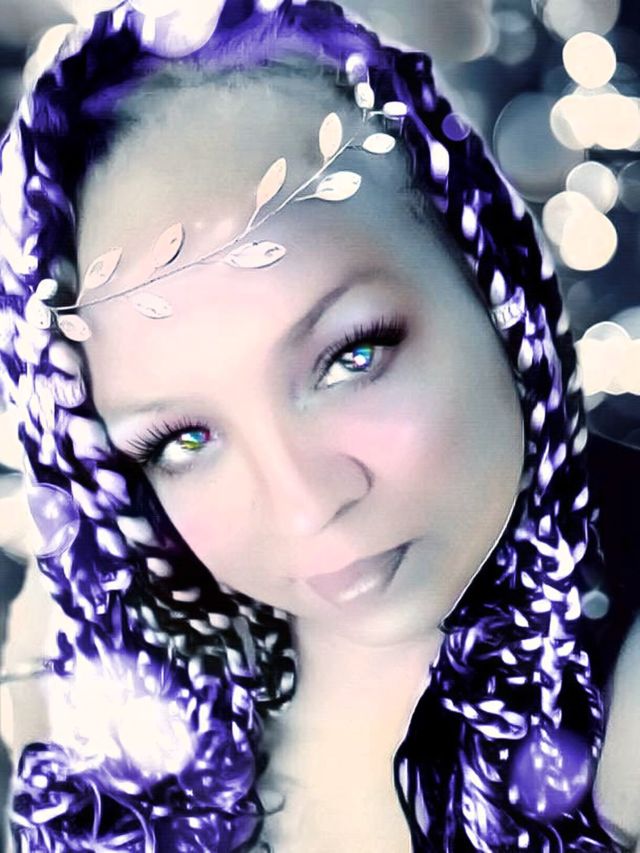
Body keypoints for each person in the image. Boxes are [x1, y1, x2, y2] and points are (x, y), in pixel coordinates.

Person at [0, 0, 631, 849]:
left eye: (350, 356)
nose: (303, 506)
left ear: (487, 276)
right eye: (183, 440)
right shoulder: (91, 663)